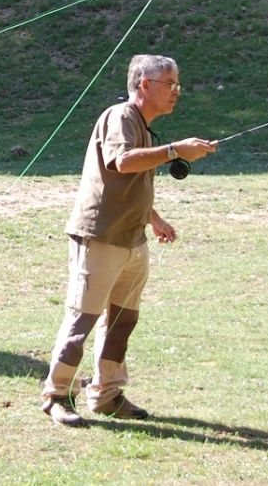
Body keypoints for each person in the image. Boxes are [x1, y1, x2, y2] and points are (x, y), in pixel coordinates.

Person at [41, 54, 216, 426]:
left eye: (177, 84)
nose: (176, 92)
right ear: (144, 85)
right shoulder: (119, 117)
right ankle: (57, 396)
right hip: (100, 237)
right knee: (81, 320)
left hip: (133, 239)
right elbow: (121, 162)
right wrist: (174, 151)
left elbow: (128, 180)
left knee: (122, 321)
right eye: (170, 84)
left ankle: (107, 395)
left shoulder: (143, 125)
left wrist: (154, 219)